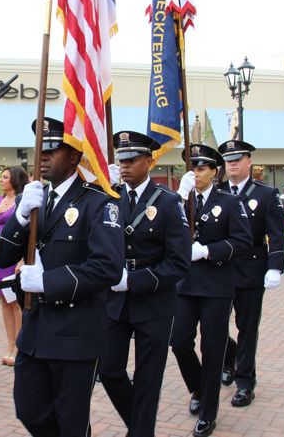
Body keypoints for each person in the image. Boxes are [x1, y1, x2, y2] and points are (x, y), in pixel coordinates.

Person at [0, 117, 124, 437]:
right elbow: (3, 257)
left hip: (76, 332)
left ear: (75, 156)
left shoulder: (99, 202)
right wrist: (20, 218)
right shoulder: (31, 200)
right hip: (36, 331)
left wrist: (48, 282)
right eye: (40, 150)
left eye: (53, 150)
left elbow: (108, 267)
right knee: (30, 410)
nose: (44, 157)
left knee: (71, 421)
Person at [99, 131, 191, 437]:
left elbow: (179, 262)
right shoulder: (110, 199)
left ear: (149, 162)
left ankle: (140, 432)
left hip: (153, 301)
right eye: (120, 160)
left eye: (131, 160)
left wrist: (134, 281)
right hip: (116, 301)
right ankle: (140, 427)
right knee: (109, 371)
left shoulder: (168, 202)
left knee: (148, 378)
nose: (124, 166)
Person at [171, 144, 252, 437]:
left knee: (212, 347)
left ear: (214, 171)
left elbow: (242, 242)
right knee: (178, 340)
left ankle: (208, 412)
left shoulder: (229, 202)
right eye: (192, 167)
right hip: (185, 284)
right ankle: (198, 388)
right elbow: (167, 232)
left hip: (216, 285)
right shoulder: (179, 200)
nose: (196, 172)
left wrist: (207, 250)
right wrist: (180, 198)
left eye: (202, 167)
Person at [217, 140, 284, 406]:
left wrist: (274, 267)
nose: (232, 163)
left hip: (251, 269)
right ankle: (229, 358)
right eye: (228, 159)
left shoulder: (266, 194)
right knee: (215, 326)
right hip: (219, 270)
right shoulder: (217, 191)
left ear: (249, 162)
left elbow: (277, 235)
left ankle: (245, 381)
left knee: (247, 327)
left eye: (238, 158)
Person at [0, 165, 29, 366]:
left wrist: (22, 259)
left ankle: (20, 345)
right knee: (3, 301)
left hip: (15, 256)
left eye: (5, 177)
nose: (1, 180)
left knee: (15, 302)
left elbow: (28, 230)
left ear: (15, 180)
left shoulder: (22, 200)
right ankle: (10, 344)